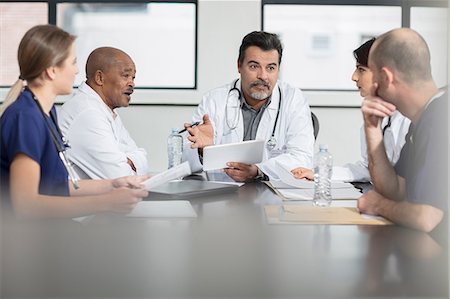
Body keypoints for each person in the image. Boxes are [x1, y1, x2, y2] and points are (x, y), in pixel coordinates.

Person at [0, 25, 148, 218]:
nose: (77, 71)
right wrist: (105, 202)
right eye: (73, 63)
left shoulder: (46, 111)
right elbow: (26, 204)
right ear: (52, 71)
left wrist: (113, 184)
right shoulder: (26, 118)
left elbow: (55, 186)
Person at [182, 31, 314, 182]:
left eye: (271, 68)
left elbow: (303, 157)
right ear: (239, 66)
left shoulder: (293, 100)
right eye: (254, 66)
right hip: (223, 194)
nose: (263, 76)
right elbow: (183, 162)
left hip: (274, 195)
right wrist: (201, 151)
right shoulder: (215, 100)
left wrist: (259, 170)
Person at [357, 28, 448, 232]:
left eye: (370, 72)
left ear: (386, 77)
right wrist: (372, 129)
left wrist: (378, 205)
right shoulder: (420, 120)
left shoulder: (441, 118)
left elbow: (427, 217)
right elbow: (396, 190)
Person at [59, 47, 148, 179]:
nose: (132, 83)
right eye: (125, 76)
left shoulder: (104, 109)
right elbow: (121, 178)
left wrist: (127, 161)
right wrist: (127, 161)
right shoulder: (88, 112)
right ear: (100, 78)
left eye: (133, 77)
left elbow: (143, 158)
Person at [330, 38, 410, 182]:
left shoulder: (407, 119)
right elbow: (369, 168)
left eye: (361, 70)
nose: (354, 77)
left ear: (384, 74)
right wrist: (321, 174)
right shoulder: (378, 114)